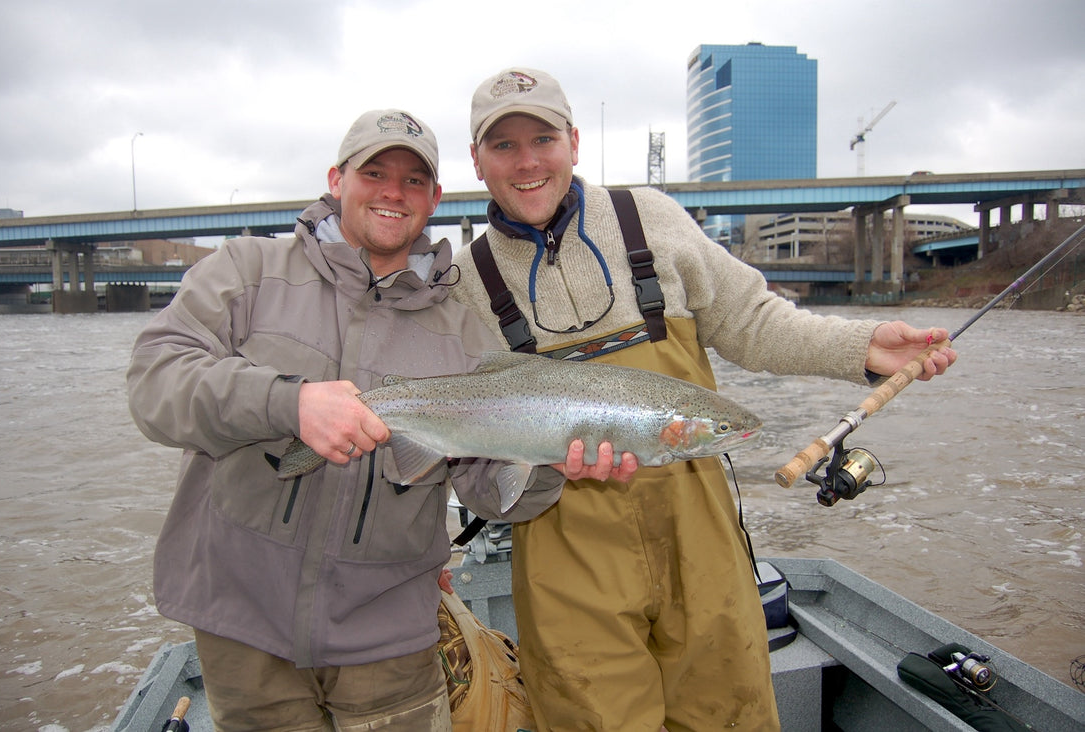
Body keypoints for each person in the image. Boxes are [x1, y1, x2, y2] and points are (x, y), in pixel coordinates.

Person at [450, 67, 957, 731]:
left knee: (729, 712)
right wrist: (533, 474)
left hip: (700, 535)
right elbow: (472, 454)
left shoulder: (650, 218)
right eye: (504, 146)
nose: (527, 162)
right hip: (563, 553)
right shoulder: (464, 281)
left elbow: (753, 320)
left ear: (574, 141)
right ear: (476, 161)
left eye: (542, 138)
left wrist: (861, 347)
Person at [126, 108, 609, 732]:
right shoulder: (246, 271)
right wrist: (288, 403)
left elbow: (489, 493)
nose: (392, 192)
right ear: (336, 178)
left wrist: (548, 457)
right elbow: (153, 383)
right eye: (374, 172)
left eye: (413, 181)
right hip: (240, 622)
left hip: (391, 639)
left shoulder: (467, 330)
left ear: (435, 197)